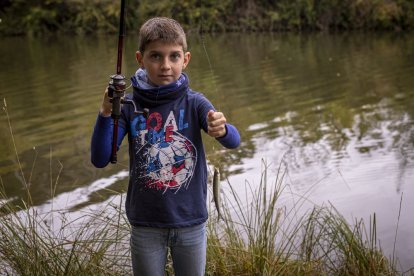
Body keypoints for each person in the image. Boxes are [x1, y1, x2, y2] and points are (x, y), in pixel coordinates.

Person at [91, 17, 240, 276]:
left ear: (186, 59)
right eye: (156, 56)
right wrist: (106, 112)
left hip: (191, 222)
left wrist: (223, 129)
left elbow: (233, 141)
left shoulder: (195, 103)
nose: (166, 66)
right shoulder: (128, 105)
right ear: (140, 59)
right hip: (145, 225)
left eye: (174, 56)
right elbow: (100, 158)